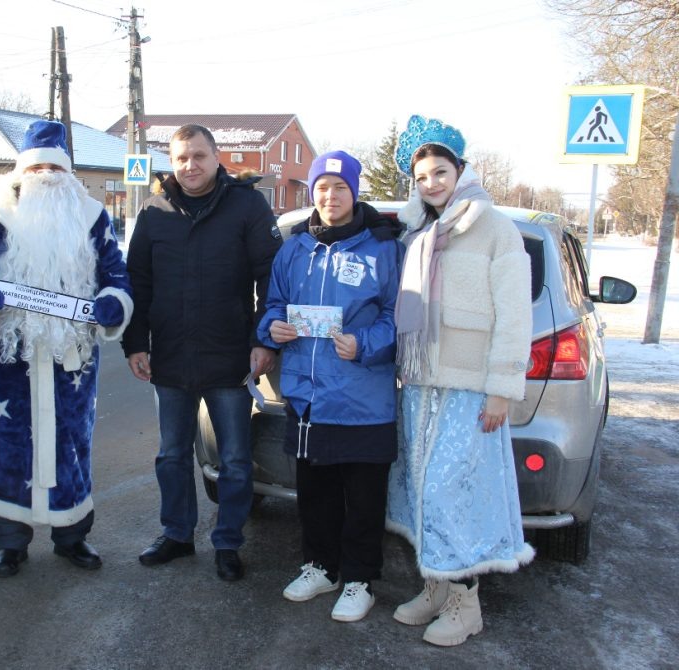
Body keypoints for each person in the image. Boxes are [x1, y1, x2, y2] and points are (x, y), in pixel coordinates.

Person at [0, 120, 132, 577]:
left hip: (72, 361)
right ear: (20, 172)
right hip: (6, 358)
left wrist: (113, 303)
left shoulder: (91, 215)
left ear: (68, 173)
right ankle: (10, 542)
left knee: (71, 444)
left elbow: (116, 273)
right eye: (37, 166)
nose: (46, 175)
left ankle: (72, 536)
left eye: (55, 166)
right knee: (6, 448)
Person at [386, 115, 534, 646]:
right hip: (420, 384)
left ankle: (465, 601)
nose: (432, 183)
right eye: (423, 175)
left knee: (453, 490)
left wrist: (501, 388)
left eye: (440, 172)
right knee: (419, 490)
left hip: (471, 388)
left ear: (460, 170)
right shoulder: (417, 232)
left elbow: (516, 316)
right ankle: (435, 583)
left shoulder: (495, 229)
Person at [123, 124, 281, 582]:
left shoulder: (246, 204)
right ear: (171, 163)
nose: (190, 166)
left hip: (229, 357)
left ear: (216, 157)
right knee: (171, 455)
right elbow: (139, 283)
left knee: (233, 460)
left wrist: (262, 339)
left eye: (198, 156)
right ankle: (176, 534)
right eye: (181, 158)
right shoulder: (154, 211)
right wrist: (135, 343)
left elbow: (271, 278)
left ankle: (228, 542)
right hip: (169, 358)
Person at [257, 151, 402, 621]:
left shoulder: (382, 248)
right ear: (312, 192)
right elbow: (274, 303)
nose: (330, 196)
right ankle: (320, 566)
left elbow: (399, 317)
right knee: (314, 490)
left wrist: (364, 344)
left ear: (354, 193)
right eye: (322, 187)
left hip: (363, 395)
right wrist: (273, 328)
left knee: (362, 495)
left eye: (340, 188)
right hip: (308, 393)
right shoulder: (294, 249)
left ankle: (360, 578)